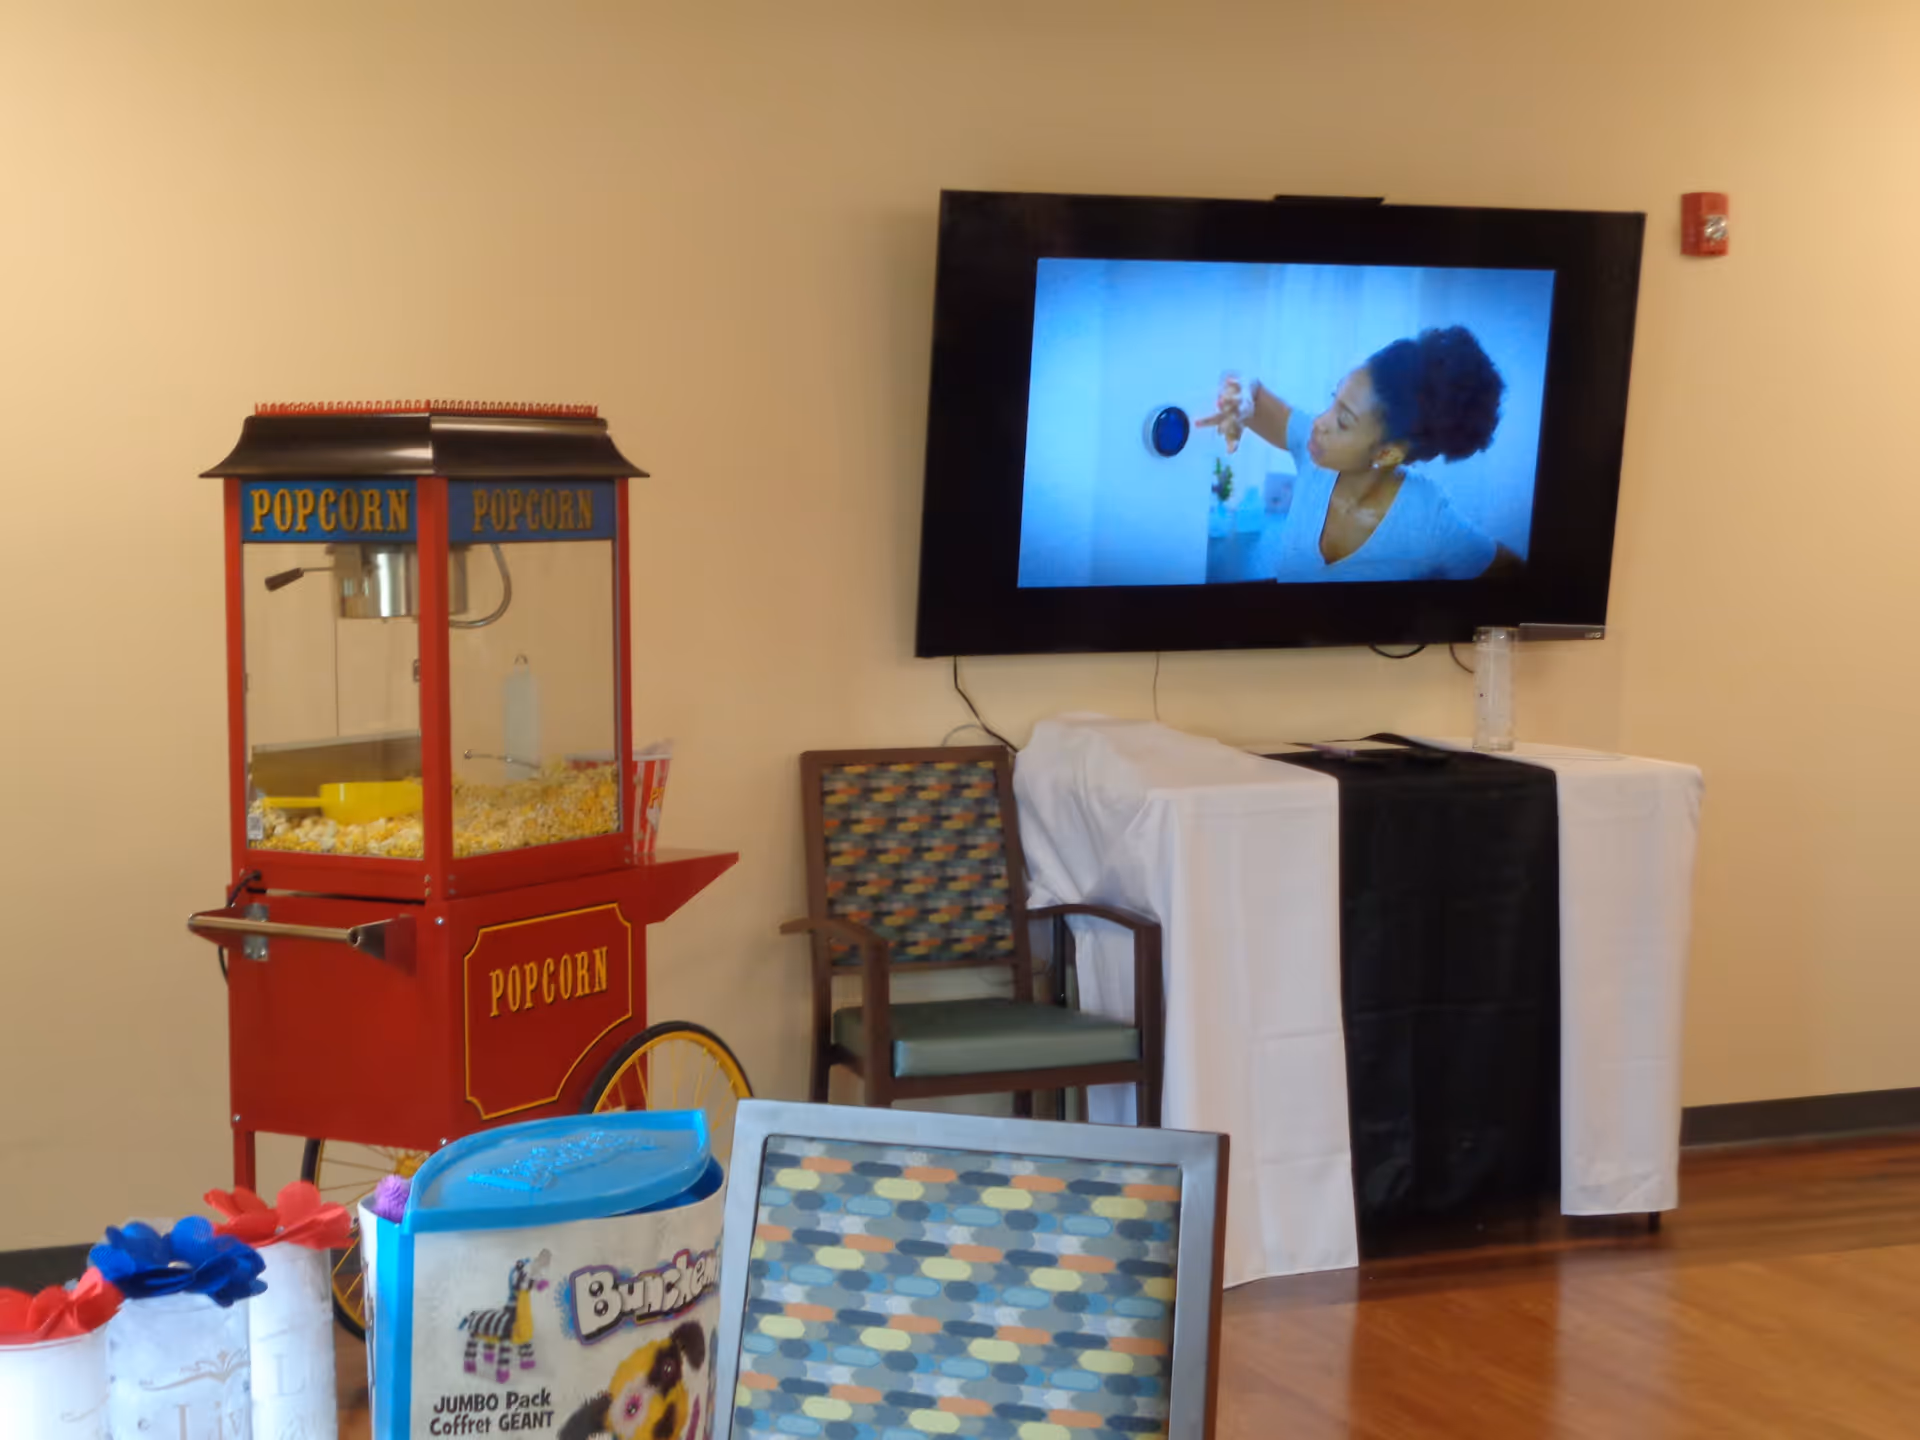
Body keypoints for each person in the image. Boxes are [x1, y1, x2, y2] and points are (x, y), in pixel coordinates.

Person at [1199, 326, 1520, 581]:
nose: (1320, 423)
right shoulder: (1316, 452)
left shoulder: (1428, 519)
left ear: (1387, 452)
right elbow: (1247, 390)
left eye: (1343, 421)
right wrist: (1238, 395)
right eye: (1332, 400)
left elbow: (1515, 575)